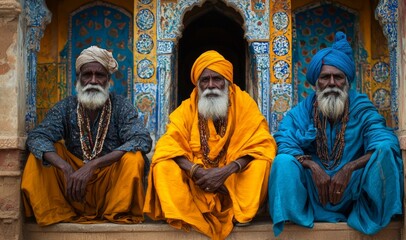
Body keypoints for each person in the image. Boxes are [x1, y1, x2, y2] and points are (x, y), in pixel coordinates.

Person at [268, 32, 403, 236]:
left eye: (338, 77)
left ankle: (377, 216)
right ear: (316, 83)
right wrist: (312, 166)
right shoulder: (301, 111)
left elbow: (384, 139)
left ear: (346, 81)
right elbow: (284, 141)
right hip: (315, 192)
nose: (332, 83)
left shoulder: (361, 107)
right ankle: (293, 226)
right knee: (283, 162)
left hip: (352, 190)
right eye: (325, 77)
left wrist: (349, 168)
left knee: (384, 150)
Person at [144, 50, 276, 239]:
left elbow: (262, 143)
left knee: (261, 164)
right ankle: (187, 214)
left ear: (227, 81)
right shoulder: (187, 108)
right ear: (197, 84)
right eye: (205, 80)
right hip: (198, 180)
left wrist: (225, 172)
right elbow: (167, 145)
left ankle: (239, 213)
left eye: (217, 79)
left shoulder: (244, 102)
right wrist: (197, 171)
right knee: (163, 166)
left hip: (232, 180)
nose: (211, 85)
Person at [21, 46, 152, 226]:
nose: (93, 81)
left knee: (134, 158)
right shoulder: (66, 107)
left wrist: (93, 165)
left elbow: (141, 139)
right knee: (43, 154)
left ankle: (116, 212)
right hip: (72, 184)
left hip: (110, 187)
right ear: (78, 78)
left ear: (108, 80)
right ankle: (56, 212)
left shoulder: (121, 105)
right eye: (87, 75)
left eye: (100, 75)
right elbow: (36, 137)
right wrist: (66, 168)